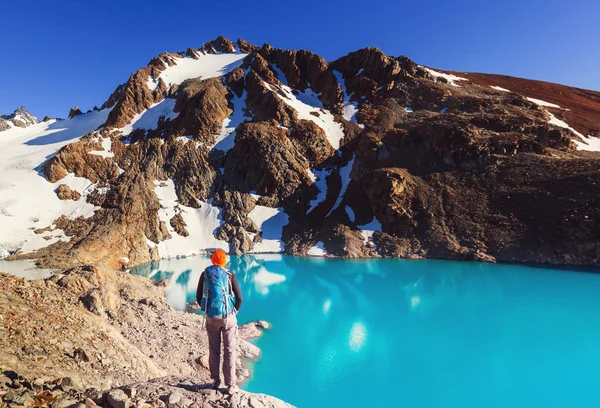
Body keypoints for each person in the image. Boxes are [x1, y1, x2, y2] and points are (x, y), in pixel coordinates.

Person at [196, 249, 243, 394]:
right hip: (228, 318)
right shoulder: (229, 275)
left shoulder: (205, 274)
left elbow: (199, 296)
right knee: (229, 350)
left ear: (212, 260)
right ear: (224, 261)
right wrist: (235, 310)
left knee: (214, 350)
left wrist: (208, 311)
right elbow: (239, 297)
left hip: (212, 318)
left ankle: (216, 381)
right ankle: (231, 385)